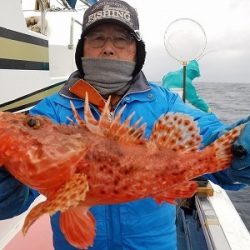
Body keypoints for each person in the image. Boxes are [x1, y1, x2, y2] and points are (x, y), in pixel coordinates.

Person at [0, 0, 250, 249]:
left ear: (136, 50)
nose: (108, 48)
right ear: (82, 49)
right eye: (97, 38)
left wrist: (240, 149)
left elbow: (213, 140)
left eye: (121, 38)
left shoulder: (164, 103)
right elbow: (15, 199)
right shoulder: (52, 110)